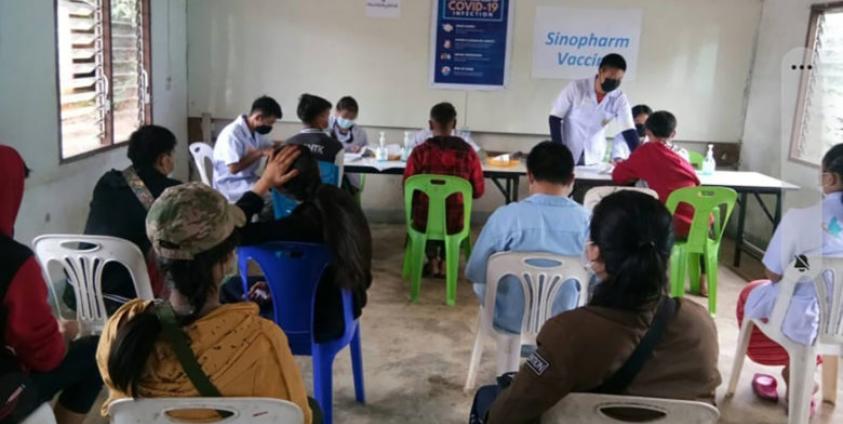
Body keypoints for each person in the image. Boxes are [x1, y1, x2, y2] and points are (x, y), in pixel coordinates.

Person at [480, 191, 721, 423]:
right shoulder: (699, 325)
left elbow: (506, 415)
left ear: (594, 252)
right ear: (667, 252)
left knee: (486, 400)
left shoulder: (568, 333)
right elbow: (705, 406)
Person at [96, 182, 314, 423]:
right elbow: (297, 417)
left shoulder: (119, 331)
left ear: (158, 256)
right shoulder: (261, 341)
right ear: (227, 260)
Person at [227, 145, 373, 342]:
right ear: (318, 171)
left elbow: (230, 231)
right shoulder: (342, 201)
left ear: (279, 186)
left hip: (314, 323)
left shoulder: (301, 222)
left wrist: (262, 183)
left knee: (230, 288)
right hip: (345, 308)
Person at [0, 145, 102, 424]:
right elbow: (44, 356)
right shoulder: (13, 260)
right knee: (94, 352)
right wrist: (65, 335)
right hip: (4, 396)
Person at [735, 144, 843, 409]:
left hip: (802, 321)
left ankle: (795, 372)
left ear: (829, 178)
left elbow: (774, 273)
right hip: (839, 322)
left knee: (752, 292)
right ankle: (809, 376)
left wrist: (803, 264)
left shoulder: (801, 219)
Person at [466, 141, 588, 335]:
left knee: (483, 281)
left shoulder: (505, 217)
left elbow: (475, 271)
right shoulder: (588, 222)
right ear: (572, 178)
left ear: (529, 176)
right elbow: (598, 281)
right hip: (564, 325)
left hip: (508, 323)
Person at [79, 125, 180, 312]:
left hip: (83, 284)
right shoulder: (171, 192)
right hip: (129, 292)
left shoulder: (107, 182)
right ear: (163, 159)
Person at [404, 102, 485, 276]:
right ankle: (446, 262)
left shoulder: (419, 153)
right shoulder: (468, 153)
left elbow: (407, 188)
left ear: (430, 125)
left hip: (423, 222)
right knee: (451, 214)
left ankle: (432, 261)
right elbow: (478, 191)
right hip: (456, 222)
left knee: (427, 212)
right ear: (454, 125)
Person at [612, 111, 700, 239]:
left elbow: (618, 177)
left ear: (647, 132)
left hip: (668, 226)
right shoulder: (683, 153)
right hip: (698, 222)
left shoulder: (646, 152)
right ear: (673, 133)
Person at [548, 53, 637, 165]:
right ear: (600, 72)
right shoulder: (577, 87)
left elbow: (628, 130)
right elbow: (555, 118)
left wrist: (640, 157)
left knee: (593, 181)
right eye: (610, 78)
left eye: (619, 79)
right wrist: (558, 149)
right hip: (568, 150)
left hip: (594, 155)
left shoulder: (619, 98)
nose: (614, 82)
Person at [212, 95, 282, 202]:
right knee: (272, 198)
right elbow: (233, 168)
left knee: (277, 187)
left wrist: (293, 142)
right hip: (230, 185)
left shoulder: (255, 130)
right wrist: (260, 153)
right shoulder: (232, 134)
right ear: (258, 117)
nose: (271, 126)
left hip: (247, 179)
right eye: (270, 122)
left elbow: (270, 145)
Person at [286, 94, 344, 164]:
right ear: (319, 117)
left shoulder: (288, 143)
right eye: (327, 115)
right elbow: (338, 174)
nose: (329, 119)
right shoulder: (336, 146)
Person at [329, 96, 368, 191]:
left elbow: (367, 152)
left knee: (340, 191)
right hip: (330, 174)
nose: (348, 120)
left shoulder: (360, 132)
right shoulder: (326, 126)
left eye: (352, 118)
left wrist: (361, 151)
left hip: (350, 179)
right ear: (337, 112)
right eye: (345, 116)